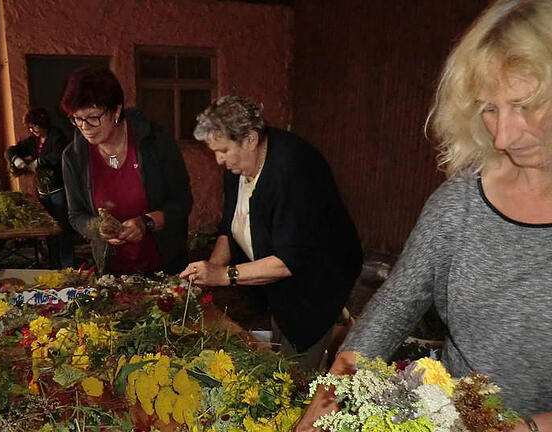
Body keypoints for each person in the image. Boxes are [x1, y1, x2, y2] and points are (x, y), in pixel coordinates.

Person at [296, 0, 552, 430]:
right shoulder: (463, 200)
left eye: (525, 104)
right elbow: (396, 304)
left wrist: (523, 428)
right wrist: (333, 394)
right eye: (489, 108)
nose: (504, 135)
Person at [180, 95, 362, 370]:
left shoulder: (295, 170)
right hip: (278, 283)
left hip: (316, 285)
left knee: (293, 369)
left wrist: (224, 275)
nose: (218, 160)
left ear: (251, 139)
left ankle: (332, 351)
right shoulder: (238, 166)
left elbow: (289, 260)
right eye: (214, 151)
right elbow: (229, 226)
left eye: (224, 150)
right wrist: (210, 269)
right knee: (278, 348)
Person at [61, 67, 193, 274]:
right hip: (113, 269)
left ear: (116, 110)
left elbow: (182, 201)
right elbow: (76, 215)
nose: (85, 127)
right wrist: (99, 227)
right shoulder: (74, 157)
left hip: (165, 261)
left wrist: (146, 223)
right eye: (77, 119)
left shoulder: (155, 143)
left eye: (93, 117)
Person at [5, 107, 75, 269]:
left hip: (58, 190)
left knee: (62, 228)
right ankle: (53, 264)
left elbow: (58, 155)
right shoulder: (34, 141)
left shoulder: (56, 136)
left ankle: (68, 266)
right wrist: (16, 160)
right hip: (43, 191)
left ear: (43, 123)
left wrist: (38, 163)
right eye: (30, 127)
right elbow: (11, 150)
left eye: (34, 126)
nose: (32, 130)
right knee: (49, 229)